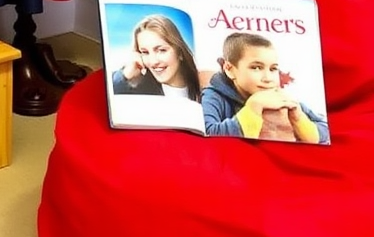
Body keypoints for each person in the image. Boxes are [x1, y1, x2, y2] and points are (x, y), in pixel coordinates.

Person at [201, 32, 330, 142]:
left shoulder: (279, 98)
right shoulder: (213, 96)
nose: (268, 78)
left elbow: (326, 130)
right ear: (229, 69)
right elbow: (207, 133)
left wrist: (298, 119)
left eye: (273, 69)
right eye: (256, 68)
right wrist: (253, 107)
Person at [111, 14, 202, 101]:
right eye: (145, 52)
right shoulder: (138, 92)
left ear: (179, 52)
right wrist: (125, 75)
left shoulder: (202, 86)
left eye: (162, 50)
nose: (153, 61)